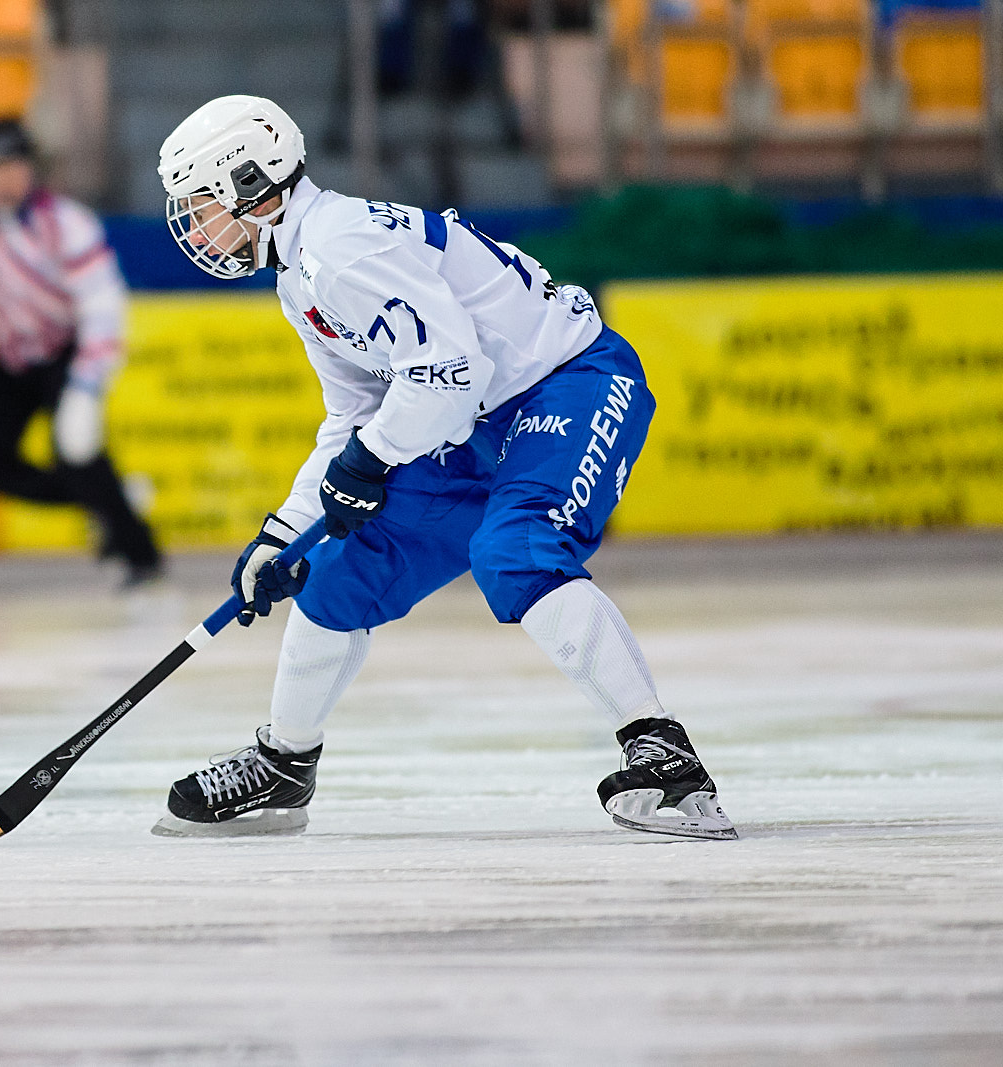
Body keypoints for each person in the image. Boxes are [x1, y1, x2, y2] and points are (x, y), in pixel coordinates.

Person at [151, 95, 735, 840]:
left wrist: (370, 460)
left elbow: (451, 367)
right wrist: (284, 530)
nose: (197, 228)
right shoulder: (301, 276)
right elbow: (355, 415)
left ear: (252, 187)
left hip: (567, 382)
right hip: (468, 417)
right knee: (337, 573)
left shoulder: (342, 250)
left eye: (203, 207)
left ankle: (665, 759)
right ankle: (284, 765)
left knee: (515, 550)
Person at [0, 118, 163, 587]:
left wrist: (87, 386)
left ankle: (141, 554)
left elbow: (102, 306)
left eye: (12, 164)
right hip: (10, 359)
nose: (2, 177)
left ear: (32, 168)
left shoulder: (68, 223)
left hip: (65, 353)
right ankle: (115, 499)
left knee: (78, 451)